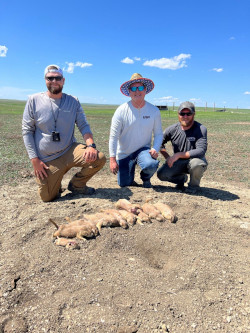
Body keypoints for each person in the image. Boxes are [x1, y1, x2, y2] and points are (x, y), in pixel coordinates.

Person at [22, 64, 106, 202]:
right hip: (47, 159)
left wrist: (91, 145)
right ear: (45, 80)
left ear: (63, 80)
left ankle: (77, 185)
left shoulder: (73, 101)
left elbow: (83, 125)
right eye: (50, 78)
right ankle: (56, 178)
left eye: (57, 78)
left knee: (99, 158)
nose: (54, 81)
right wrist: (35, 160)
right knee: (47, 197)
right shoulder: (34, 100)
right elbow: (27, 131)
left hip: (69, 151)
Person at [109, 73, 163, 188]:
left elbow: (158, 134)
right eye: (133, 88)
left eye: (140, 88)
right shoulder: (121, 111)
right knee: (124, 184)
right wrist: (112, 159)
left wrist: (155, 148)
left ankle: (145, 177)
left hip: (143, 150)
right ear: (129, 91)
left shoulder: (154, 111)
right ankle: (129, 174)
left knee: (151, 164)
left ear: (145, 90)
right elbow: (113, 137)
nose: (137, 91)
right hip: (124, 153)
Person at [157, 101, 208, 191]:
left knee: (197, 164)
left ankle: (193, 187)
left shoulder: (201, 129)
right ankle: (182, 179)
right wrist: (167, 157)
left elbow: (201, 150)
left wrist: (178, 155)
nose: (185, 116)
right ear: (178, 114)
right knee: (161, 174)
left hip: (195, 160)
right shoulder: (172, 129)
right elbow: (159, 142)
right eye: (182, 113)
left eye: (188, 114)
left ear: (194, 114)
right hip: (179, 162)